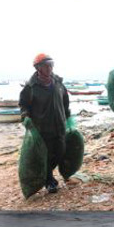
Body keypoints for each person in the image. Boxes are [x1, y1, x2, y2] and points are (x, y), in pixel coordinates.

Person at [19, 53, 71, 194]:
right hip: (42, 128)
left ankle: (46, 175)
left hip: (60, 126)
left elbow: (65, 101)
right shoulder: (31, 87)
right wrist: (25, 116)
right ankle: (49, 181)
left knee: (60, 152)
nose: (49, 68)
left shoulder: (58, 82)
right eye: (45, 66)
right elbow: (23, 105)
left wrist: (68, 116)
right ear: (38, 68)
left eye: (51, 65)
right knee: (46, 155)